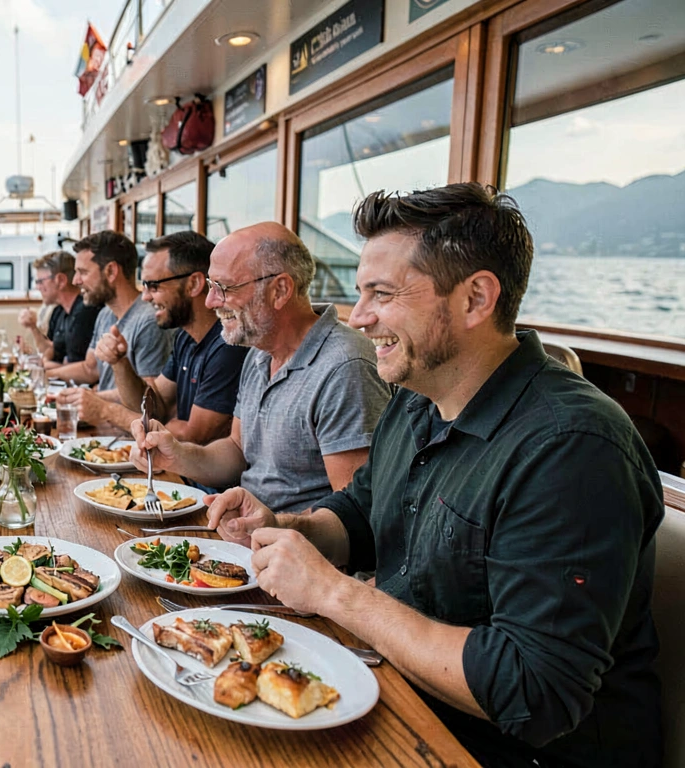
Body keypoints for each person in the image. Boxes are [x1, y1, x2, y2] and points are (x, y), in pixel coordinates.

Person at [210, 184, 662, 768]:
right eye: (360, 293)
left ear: (476, 298)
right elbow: (361, 513)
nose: (359, 317)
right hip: (394, 693)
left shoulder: (573, 447)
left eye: (382, 294)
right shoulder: (417, 397)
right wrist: (286, 528)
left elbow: (533, 691)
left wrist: (332, 592)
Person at [130, 223, 389, 513]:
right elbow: (237, 451)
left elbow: (354, 511)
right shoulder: (258, 352)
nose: (210, 301)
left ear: (280, 290)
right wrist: (175, 456)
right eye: (212, 286)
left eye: (224, 288)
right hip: (244, 530)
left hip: (289, 539)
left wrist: (273, 525)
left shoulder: (345, 366)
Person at [61, 231, 246, 445]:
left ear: (194, 284)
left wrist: (107, 411)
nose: (146, 296)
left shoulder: (228, 345)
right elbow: (152, 405)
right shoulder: (185, 337)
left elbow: (192, 437)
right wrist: (119, 362)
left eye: (154, 286)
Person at [56, 230, 174, 411]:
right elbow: (90, 369)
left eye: (83, 272)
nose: (75, 281)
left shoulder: (149, 321)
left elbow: (150, 399)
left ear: (111, 271)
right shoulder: (105, 314)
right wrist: (46, 373)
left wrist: (89, 398)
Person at [18, 250, 94, 366]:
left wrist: (44, 366)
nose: (38, 287)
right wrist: (33, 327)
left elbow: (81, 369)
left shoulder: (85, 313)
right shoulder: (59, 312)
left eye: (40, 281)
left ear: (61, 280)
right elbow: (51, 352)